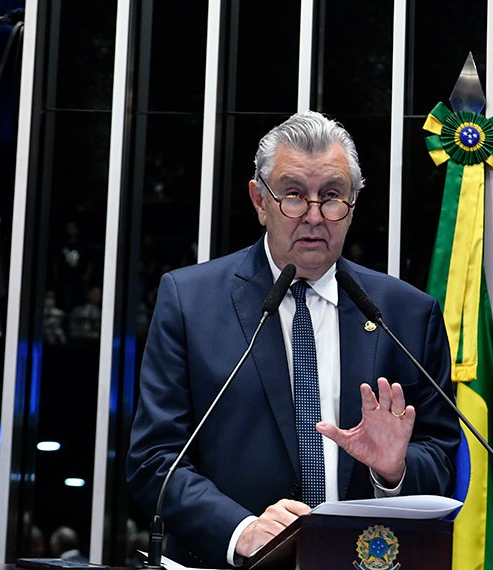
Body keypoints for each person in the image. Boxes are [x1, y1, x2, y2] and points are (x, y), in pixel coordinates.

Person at [126, 111, 461, 568]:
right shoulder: (191, 301)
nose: (314, 216)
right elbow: (154, 460)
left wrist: (392, 470)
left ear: (354, 202)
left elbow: (440, 458)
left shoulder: (405, 314)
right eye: (293, 195)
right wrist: (243, 530)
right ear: (259, 200)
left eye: (332, 197)